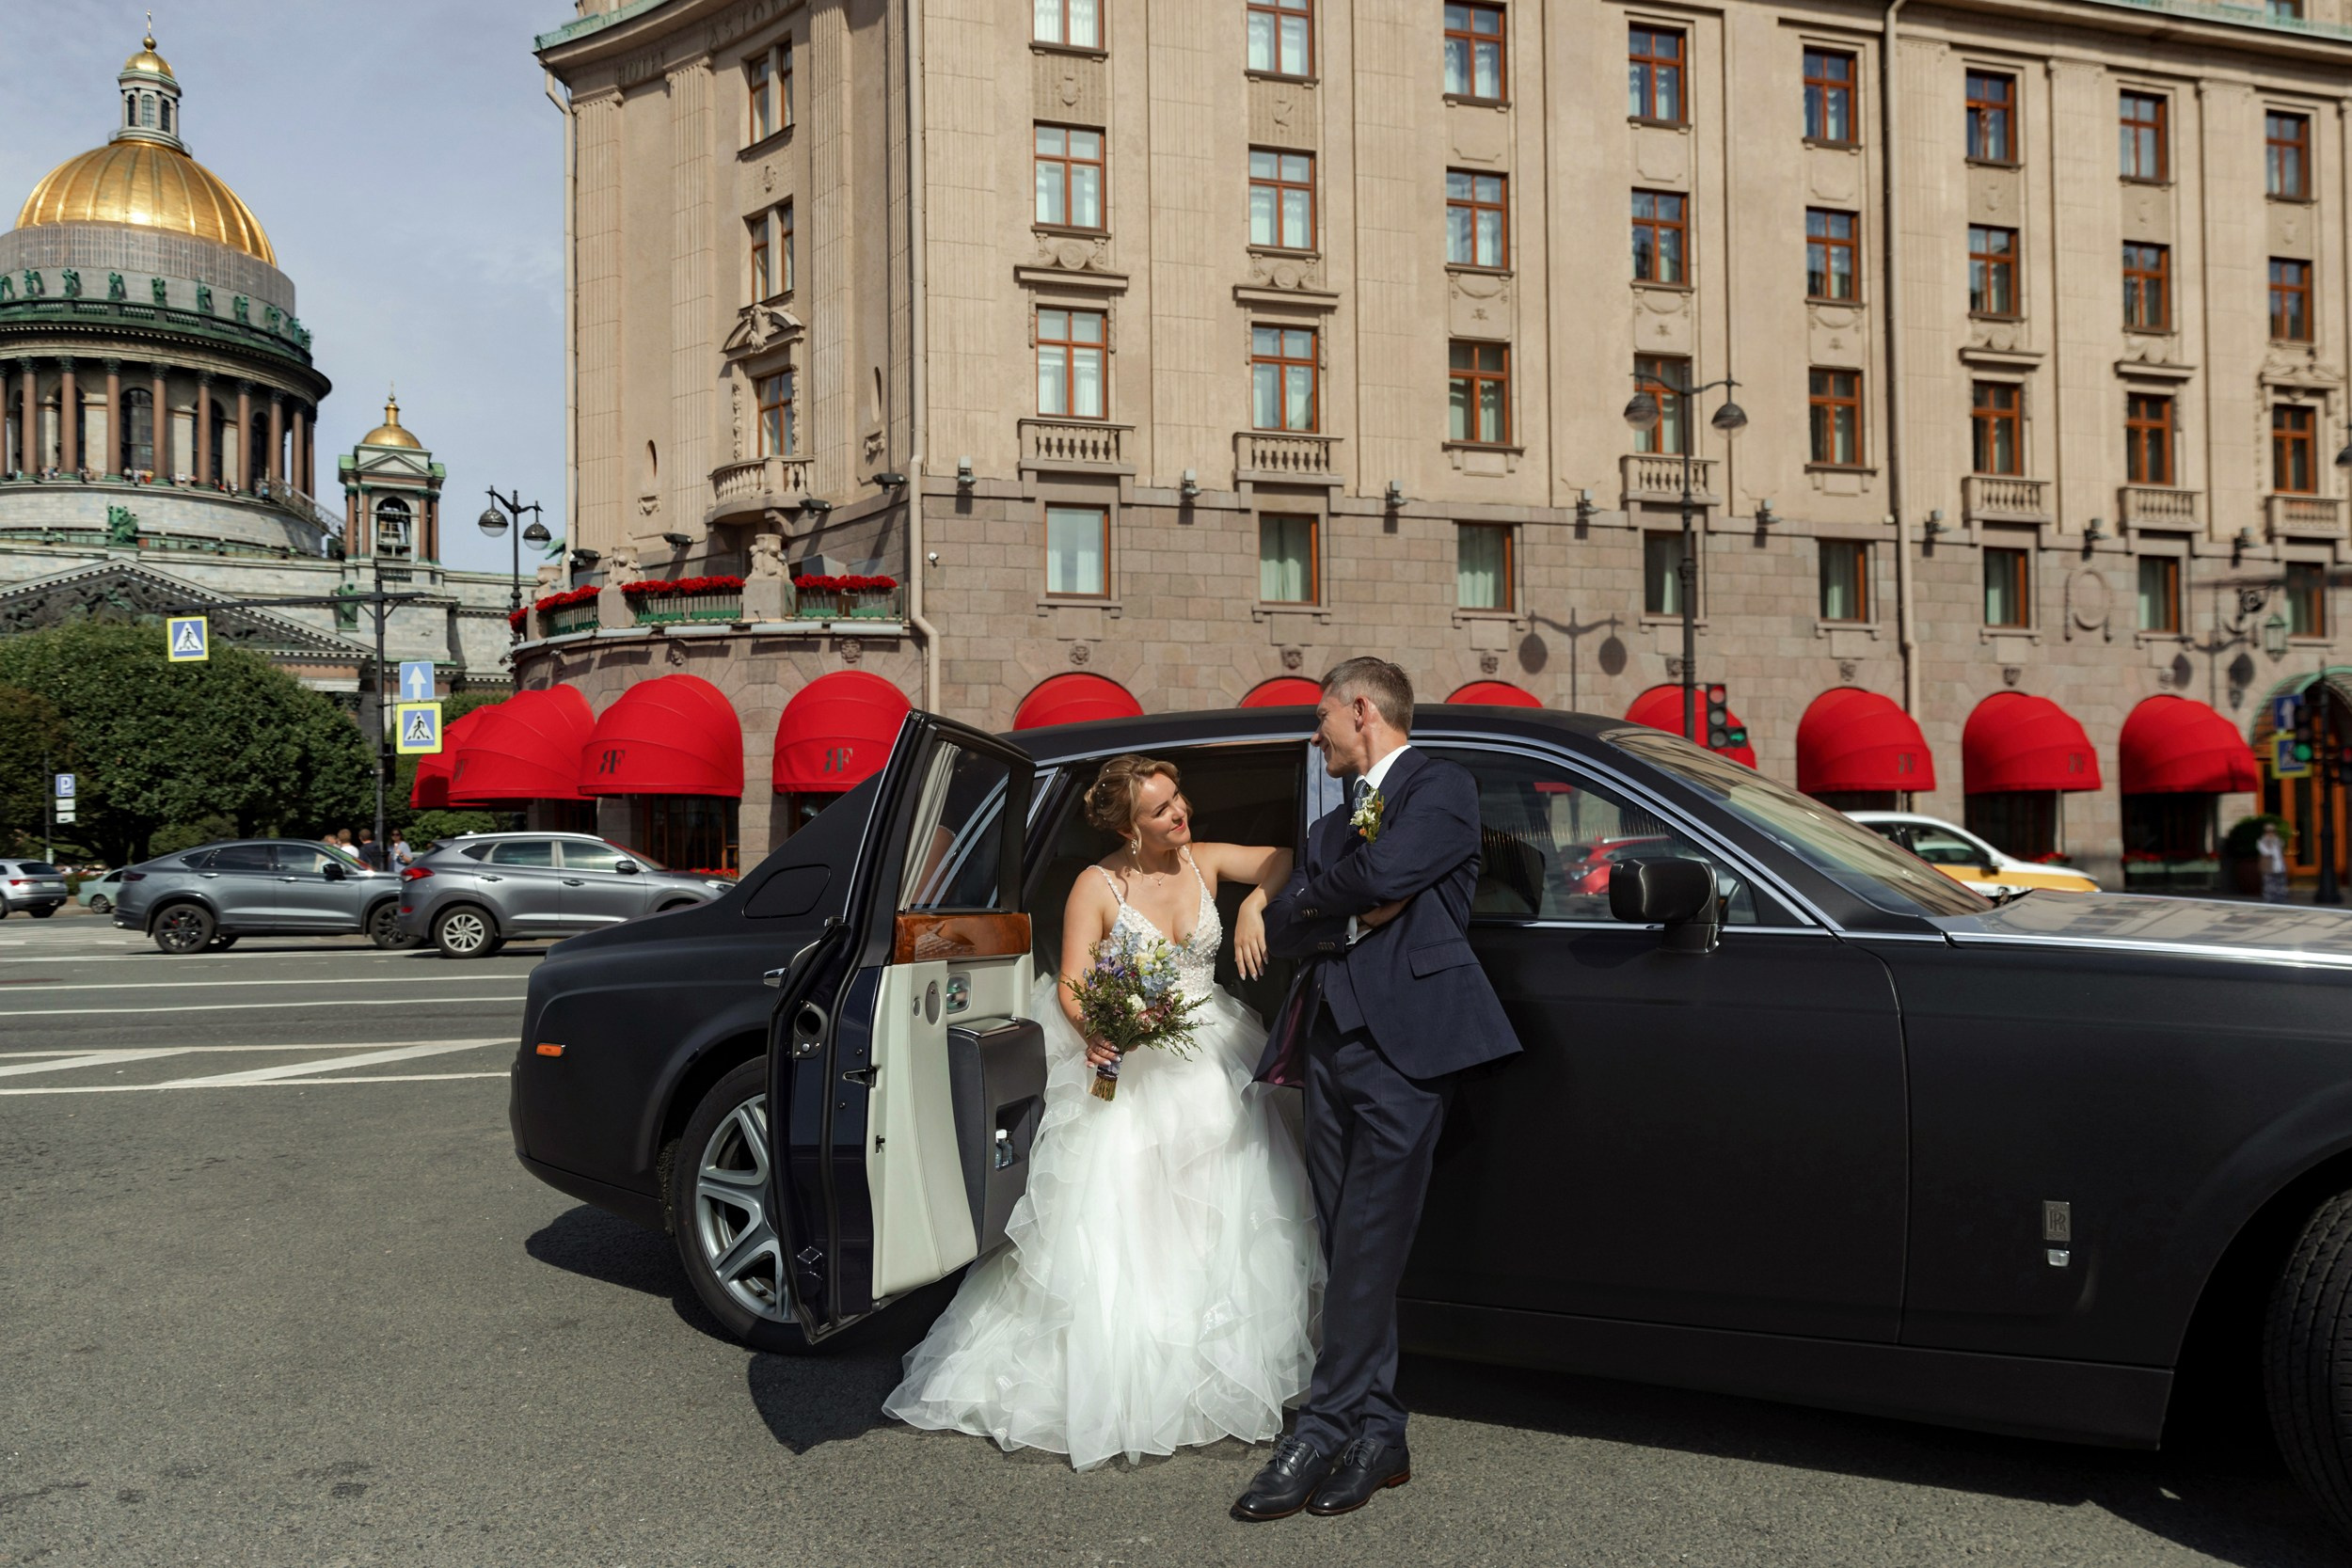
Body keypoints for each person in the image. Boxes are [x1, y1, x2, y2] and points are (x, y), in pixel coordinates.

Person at [883, 754, 1319, 1470]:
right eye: (1160, 810)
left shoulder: (1204, 861)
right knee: (1128, 1208)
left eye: (1178, 799)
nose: (1179, 814)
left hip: (1213, 1047)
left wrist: (1253, 903)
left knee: (1231, 1197)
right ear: (1127, 825)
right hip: (1136, 1058)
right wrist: (1102, 1032)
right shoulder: (1098, 884)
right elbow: (1076, 982)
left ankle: (1211, 1352)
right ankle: (1134, 1360)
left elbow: (1283, 858)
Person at [1234, 657, 1523, 1523]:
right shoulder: (1327, 829)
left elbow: (1384, 877)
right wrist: (1328, 906)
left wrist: (1343, 904)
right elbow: (1294, 921)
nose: (1311, 733)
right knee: (1346, 1242)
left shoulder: (1442, 787)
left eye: (1318, 716)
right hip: (1326, 1045)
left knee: (1367, 1238)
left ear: (1361, 709)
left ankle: (1322, 1426)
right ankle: (1380, 1431)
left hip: (1408, 1050)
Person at [2261, 820, 2291, 904]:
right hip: (2269, 867)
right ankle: (2270, 900)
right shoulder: (2262, 841)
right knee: (2269, 884)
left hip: (2279, 866)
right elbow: (2266, 852)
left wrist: (2274, 841)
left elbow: (2281, 846)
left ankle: (2281, 899)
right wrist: (2269, 843)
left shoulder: (2278, 840)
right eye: (2268, 831)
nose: (2271, 833)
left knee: (2281, 884)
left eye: (2272, 831)